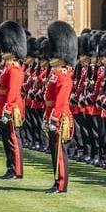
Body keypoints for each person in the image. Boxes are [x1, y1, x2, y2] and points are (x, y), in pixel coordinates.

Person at [43, 20, 78, 193]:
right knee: (54, 151)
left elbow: (61, 101)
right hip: (52, 115)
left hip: (60, 118)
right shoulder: (56, 74)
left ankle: (62, 183)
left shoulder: (64, 76)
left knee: (60, 153)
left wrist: (54, 118)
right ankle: (57, 181)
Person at [0, 22, 27, 179]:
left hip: (12, 109)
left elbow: (12, 93)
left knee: (13, 139)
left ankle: (17, 170)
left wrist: (6, 110)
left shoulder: (14, 69)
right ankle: (10, 168)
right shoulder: (8, 68)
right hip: (5, 108)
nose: (2, 52)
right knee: (7, 140)